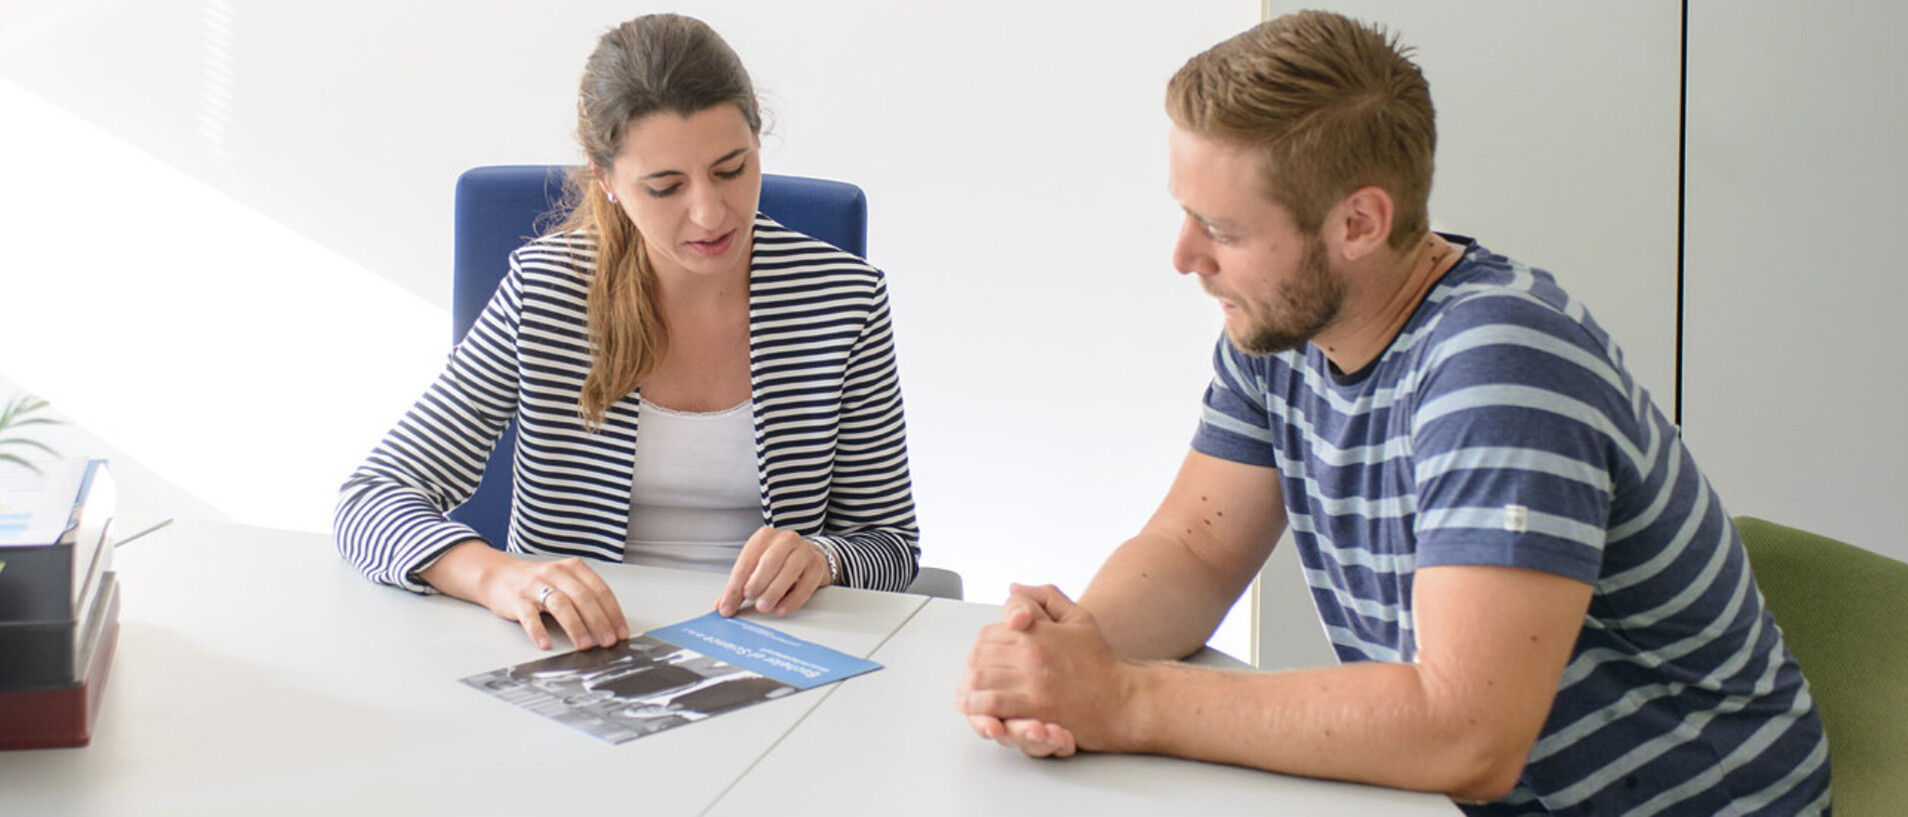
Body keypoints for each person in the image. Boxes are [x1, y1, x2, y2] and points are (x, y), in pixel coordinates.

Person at [956, 11, 1830, 815]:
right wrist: (1068, 657)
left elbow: (1466, 731)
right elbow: (1193, 549)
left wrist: (1124, 699)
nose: (1184, 257)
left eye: (1220, 229)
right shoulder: (1281, 331)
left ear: (1359, 223)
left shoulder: (1500, 365)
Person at [334, 13, 917, 652]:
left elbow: (891, 545)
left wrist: (826, 559)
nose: (709, 212)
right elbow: (371, 498)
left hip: (775, 646)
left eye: (731, 169)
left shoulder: (844, 297)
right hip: (582, 651)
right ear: (607, 180)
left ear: (758, 132)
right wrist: (500, 577)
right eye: (665, 187)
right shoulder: (549, 291)